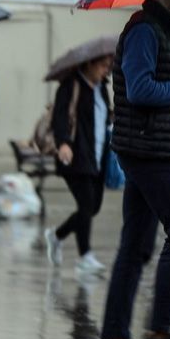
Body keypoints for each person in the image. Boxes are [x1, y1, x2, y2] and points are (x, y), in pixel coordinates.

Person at [96, 0, 170, 339]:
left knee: (137, 245)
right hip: (147, 149)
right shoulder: (143, 29)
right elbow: (140, 89)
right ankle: (159, 333)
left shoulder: (166, 30)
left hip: (151, 147)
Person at [44, 52, 113, 278]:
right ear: (89, 63)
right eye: (103, 65)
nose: (106, 70)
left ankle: (56, 236)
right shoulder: (71, 85)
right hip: (75, 155)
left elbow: (105, 118)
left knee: (93, 207)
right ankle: (85, 257)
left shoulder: (102, 88)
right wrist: (64, 143)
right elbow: (60, 117)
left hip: (98, 155)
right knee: (86, 205)